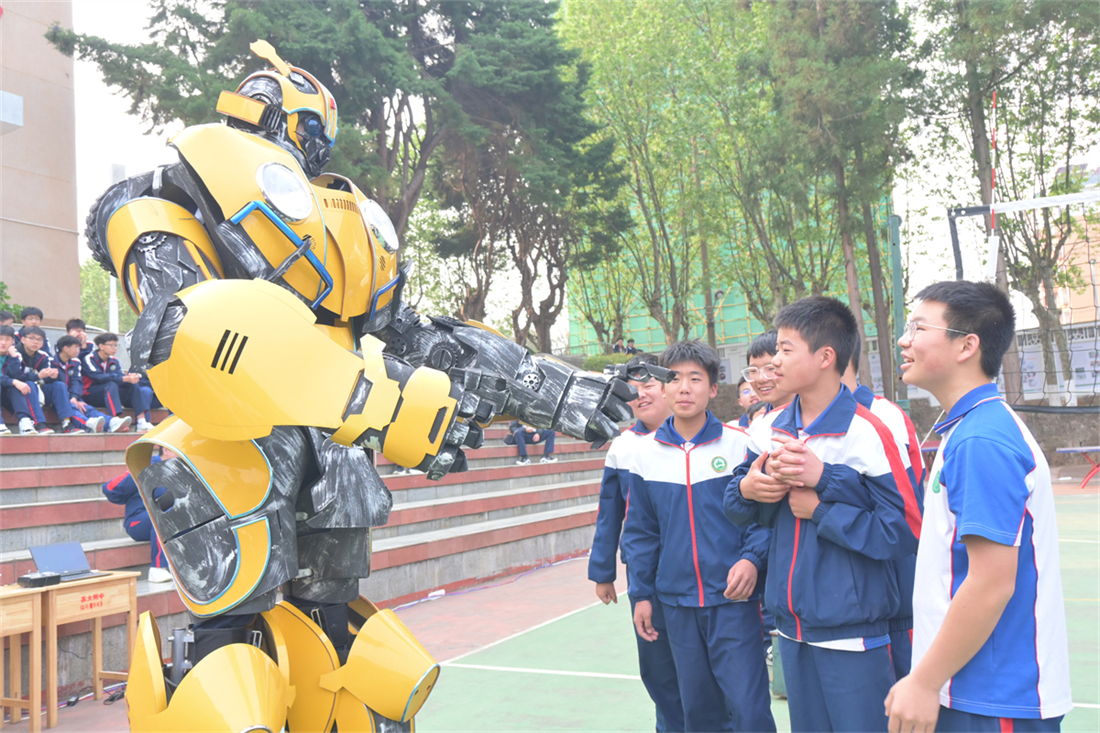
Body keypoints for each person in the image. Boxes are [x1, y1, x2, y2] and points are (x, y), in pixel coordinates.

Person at [725, 296, 919, 733]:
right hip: (791, 629)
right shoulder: (767, 428)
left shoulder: (869, 431)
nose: (774, 361)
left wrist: (821, 504)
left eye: (785, 349)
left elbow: (903, 530)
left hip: (853, 633)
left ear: (825, 357)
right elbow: (735, 509)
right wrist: (747, 490)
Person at [885, 281, 1071, 733]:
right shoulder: (970, 429)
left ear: (967, 346)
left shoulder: (982, 440)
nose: (904, 340)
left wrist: (923, 682)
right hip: (974, 686)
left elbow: (991, 582)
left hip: (994, 697)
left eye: (918, 327)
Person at [624, 341, 775, 733]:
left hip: (734, 602)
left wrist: (751, 559)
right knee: (699, 713)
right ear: (663, 387)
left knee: (749, 710)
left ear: (713, 388)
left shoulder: (741, 444)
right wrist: (641, 594)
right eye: (675, 378)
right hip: (676, 604)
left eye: (696, 378)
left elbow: (765, 519)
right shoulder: (645, 454)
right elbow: (641, 533)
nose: (684, 388)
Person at [588, 353, 684, 732]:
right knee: (658, 665)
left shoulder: (696, 439)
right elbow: (609, 514)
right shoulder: (622, 447)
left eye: (649, 386)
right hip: (645, 575)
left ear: (669, 386)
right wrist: (603, 573)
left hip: (696, 570)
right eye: (633, 390)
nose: (641, 395)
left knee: (701, 665)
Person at [841, 336, 924, 681]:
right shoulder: (788, 424)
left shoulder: (884, 415)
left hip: (893, 598)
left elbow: (906, 511)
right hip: (841, 609)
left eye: (787, 352)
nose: (775, 367)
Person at [103, 449, 175, 583]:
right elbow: (110, 489)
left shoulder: (180, 470)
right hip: (137, 522)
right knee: (163, 515)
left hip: (165, 522)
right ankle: (158, 568)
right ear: (166, 450)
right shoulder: (146, 466)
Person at [83, 333, 159, 432]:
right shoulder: (89, 359)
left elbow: (120, 377)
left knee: (131, 384)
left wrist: (130, 378)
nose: (115, 348)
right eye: (112, 345)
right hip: (91, 394)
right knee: (111, 384)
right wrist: (123, 378)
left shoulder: (114, 361)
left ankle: (142, 421)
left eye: (116, 345)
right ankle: (114, 419)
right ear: (101, 346)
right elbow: (98, 377)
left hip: (109, 393)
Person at [51, 335, 117, 433]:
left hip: (71, 396)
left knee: (87, 408)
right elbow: (49, 383)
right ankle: (87, 423)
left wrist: (74, 397)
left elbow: (77, 381)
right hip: (56, 397)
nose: (78, 350)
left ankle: (110, 422)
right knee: (71, 405)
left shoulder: (75, 362)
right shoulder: (50, 362)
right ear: (65, 348)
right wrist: (71, 398)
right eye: (76, 348)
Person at [1, 325, 53, 435]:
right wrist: (13, 381)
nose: (3, 343)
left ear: (13, 342)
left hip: (7, 395)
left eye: (7, 339)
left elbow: (17, 376)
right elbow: (14, 379)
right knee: (15, 384)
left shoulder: (14, 356)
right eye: (0, 339)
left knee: (20, 386)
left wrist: (14, 357)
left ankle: (25, 422)